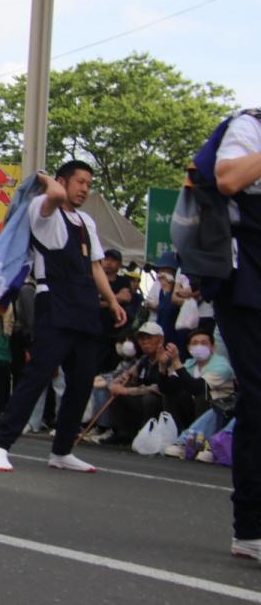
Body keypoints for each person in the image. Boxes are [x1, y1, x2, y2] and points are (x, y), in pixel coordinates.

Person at [0, 161, 127, 474]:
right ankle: (0, 444)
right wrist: (45, 179)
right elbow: (55, 196)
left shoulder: (86, 221)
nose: (85, 189)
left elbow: (95, 267)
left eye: (89, 183)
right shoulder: (43, 207)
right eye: (79, 182)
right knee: (38, 374)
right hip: (55, 301)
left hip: (85, 303)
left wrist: (112, 300)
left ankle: (62, 450)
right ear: (61, 181)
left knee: (81, 381)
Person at [209, 108, 261, 563]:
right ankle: (250, 527)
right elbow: (226, 179)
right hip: (248, 281)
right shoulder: (249, 126)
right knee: (260, 398)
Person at [161, 327, 236, 457]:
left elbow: (198, 388)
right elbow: (168, 388)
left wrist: (177, 363)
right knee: (172, 395)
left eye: (204, 343)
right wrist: (162, 367)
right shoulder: (190, 364)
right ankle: (183, 440)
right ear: (188, 347)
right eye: (195, 343)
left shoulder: (222, 366)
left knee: (203, 396)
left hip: (221, 406)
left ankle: (204, 443)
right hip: (203, 407)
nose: (199, 346)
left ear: (213, 347)